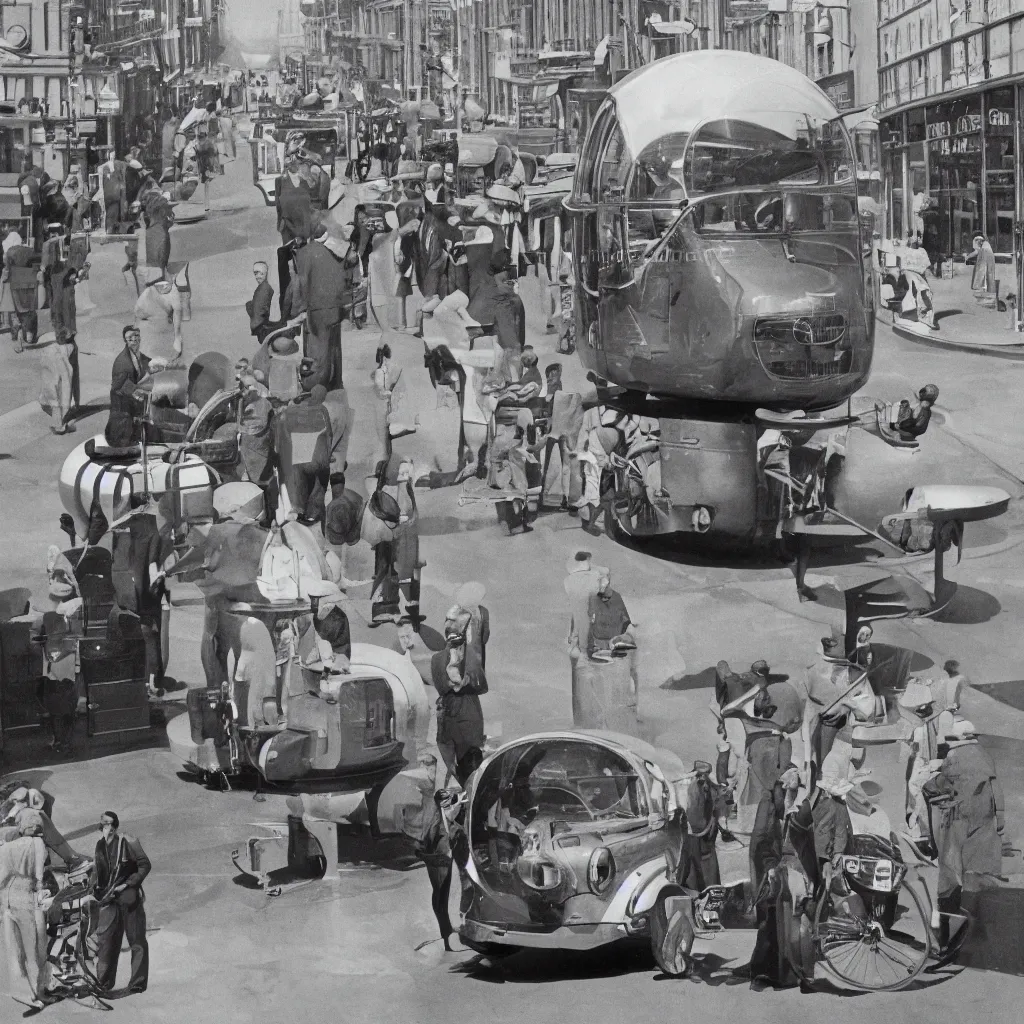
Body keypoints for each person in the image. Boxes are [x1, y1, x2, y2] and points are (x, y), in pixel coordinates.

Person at [923, 720, 1005, 948]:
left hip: (957, 820)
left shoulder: (954, 757)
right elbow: (996, 788)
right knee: (973, 873)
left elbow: (934, 786)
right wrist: (1001, 818)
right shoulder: (985, 755)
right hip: (983, 820)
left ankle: (948, 938)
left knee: (949, 875)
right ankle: (973, 927)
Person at [92, 810, 150, 995]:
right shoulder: (100, 845)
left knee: (136, 940)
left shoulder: (128, 841)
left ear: (115, 826)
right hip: (109, 900)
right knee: (107, 941)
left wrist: (128, 884)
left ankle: (137, 983)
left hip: (128, 897)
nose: (105, 827)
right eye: (103, 824)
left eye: (108, 824)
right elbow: (98, 871)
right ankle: (104, 982)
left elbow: (144, 865)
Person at [0, 818, 53, 1010]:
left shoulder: (5, 848)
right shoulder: (37, 843)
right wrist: (42, 891)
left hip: (6, 900)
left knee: (15, 951)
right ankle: (39, 992)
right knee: (35, 949)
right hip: (25, 897)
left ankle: (21, 992)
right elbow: (39, 875)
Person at [432, 612, 488, 781]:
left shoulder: (437, 658)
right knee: (470, 772)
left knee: (451, 770)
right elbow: (482, 686)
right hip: (467, 718)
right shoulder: (469, 658)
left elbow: (441, 686)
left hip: (447, 719)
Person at [276, 384, 333, 525]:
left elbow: (281, 437)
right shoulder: (322, 410)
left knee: (298, 484)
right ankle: (314, 514)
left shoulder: (290, 411)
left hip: (297, 459)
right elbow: (329, 435)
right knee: (319, 484)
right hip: (318, 458)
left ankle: (298, 511)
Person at [105, 324, 151, 447]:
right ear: (125, 340)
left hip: (135, 408)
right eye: (130, 337)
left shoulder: (139, 357)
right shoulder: (121, 362)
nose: (134, 339)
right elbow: (118, 386)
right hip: (123, 411)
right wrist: (137, 392)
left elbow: (147, 364)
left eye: (136, 336)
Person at [2, 230, 40, 351]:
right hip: (30, 283)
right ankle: (29, 334)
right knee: (29, 309)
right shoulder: (30, 250)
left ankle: (17, 336)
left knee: (17, 311)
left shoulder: (9, 252)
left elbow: (7, 270)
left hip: (15, 283)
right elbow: (37, 266)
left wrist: (3, 279)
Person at [586, 567, 633, 659]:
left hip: (615, 646)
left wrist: (620, 640)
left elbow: (627, 623)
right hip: (597, 646)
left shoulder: (617, 598)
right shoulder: (592, 598)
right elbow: (585, 622)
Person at [246, 260, 276, 342]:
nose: (257, 276)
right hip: (260, 327)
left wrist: (249, 305)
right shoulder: (262, 289)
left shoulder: (264, 289)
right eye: (255, 274)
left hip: (260, 328)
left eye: (261, 273)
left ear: (266, 273)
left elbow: (260, 311)